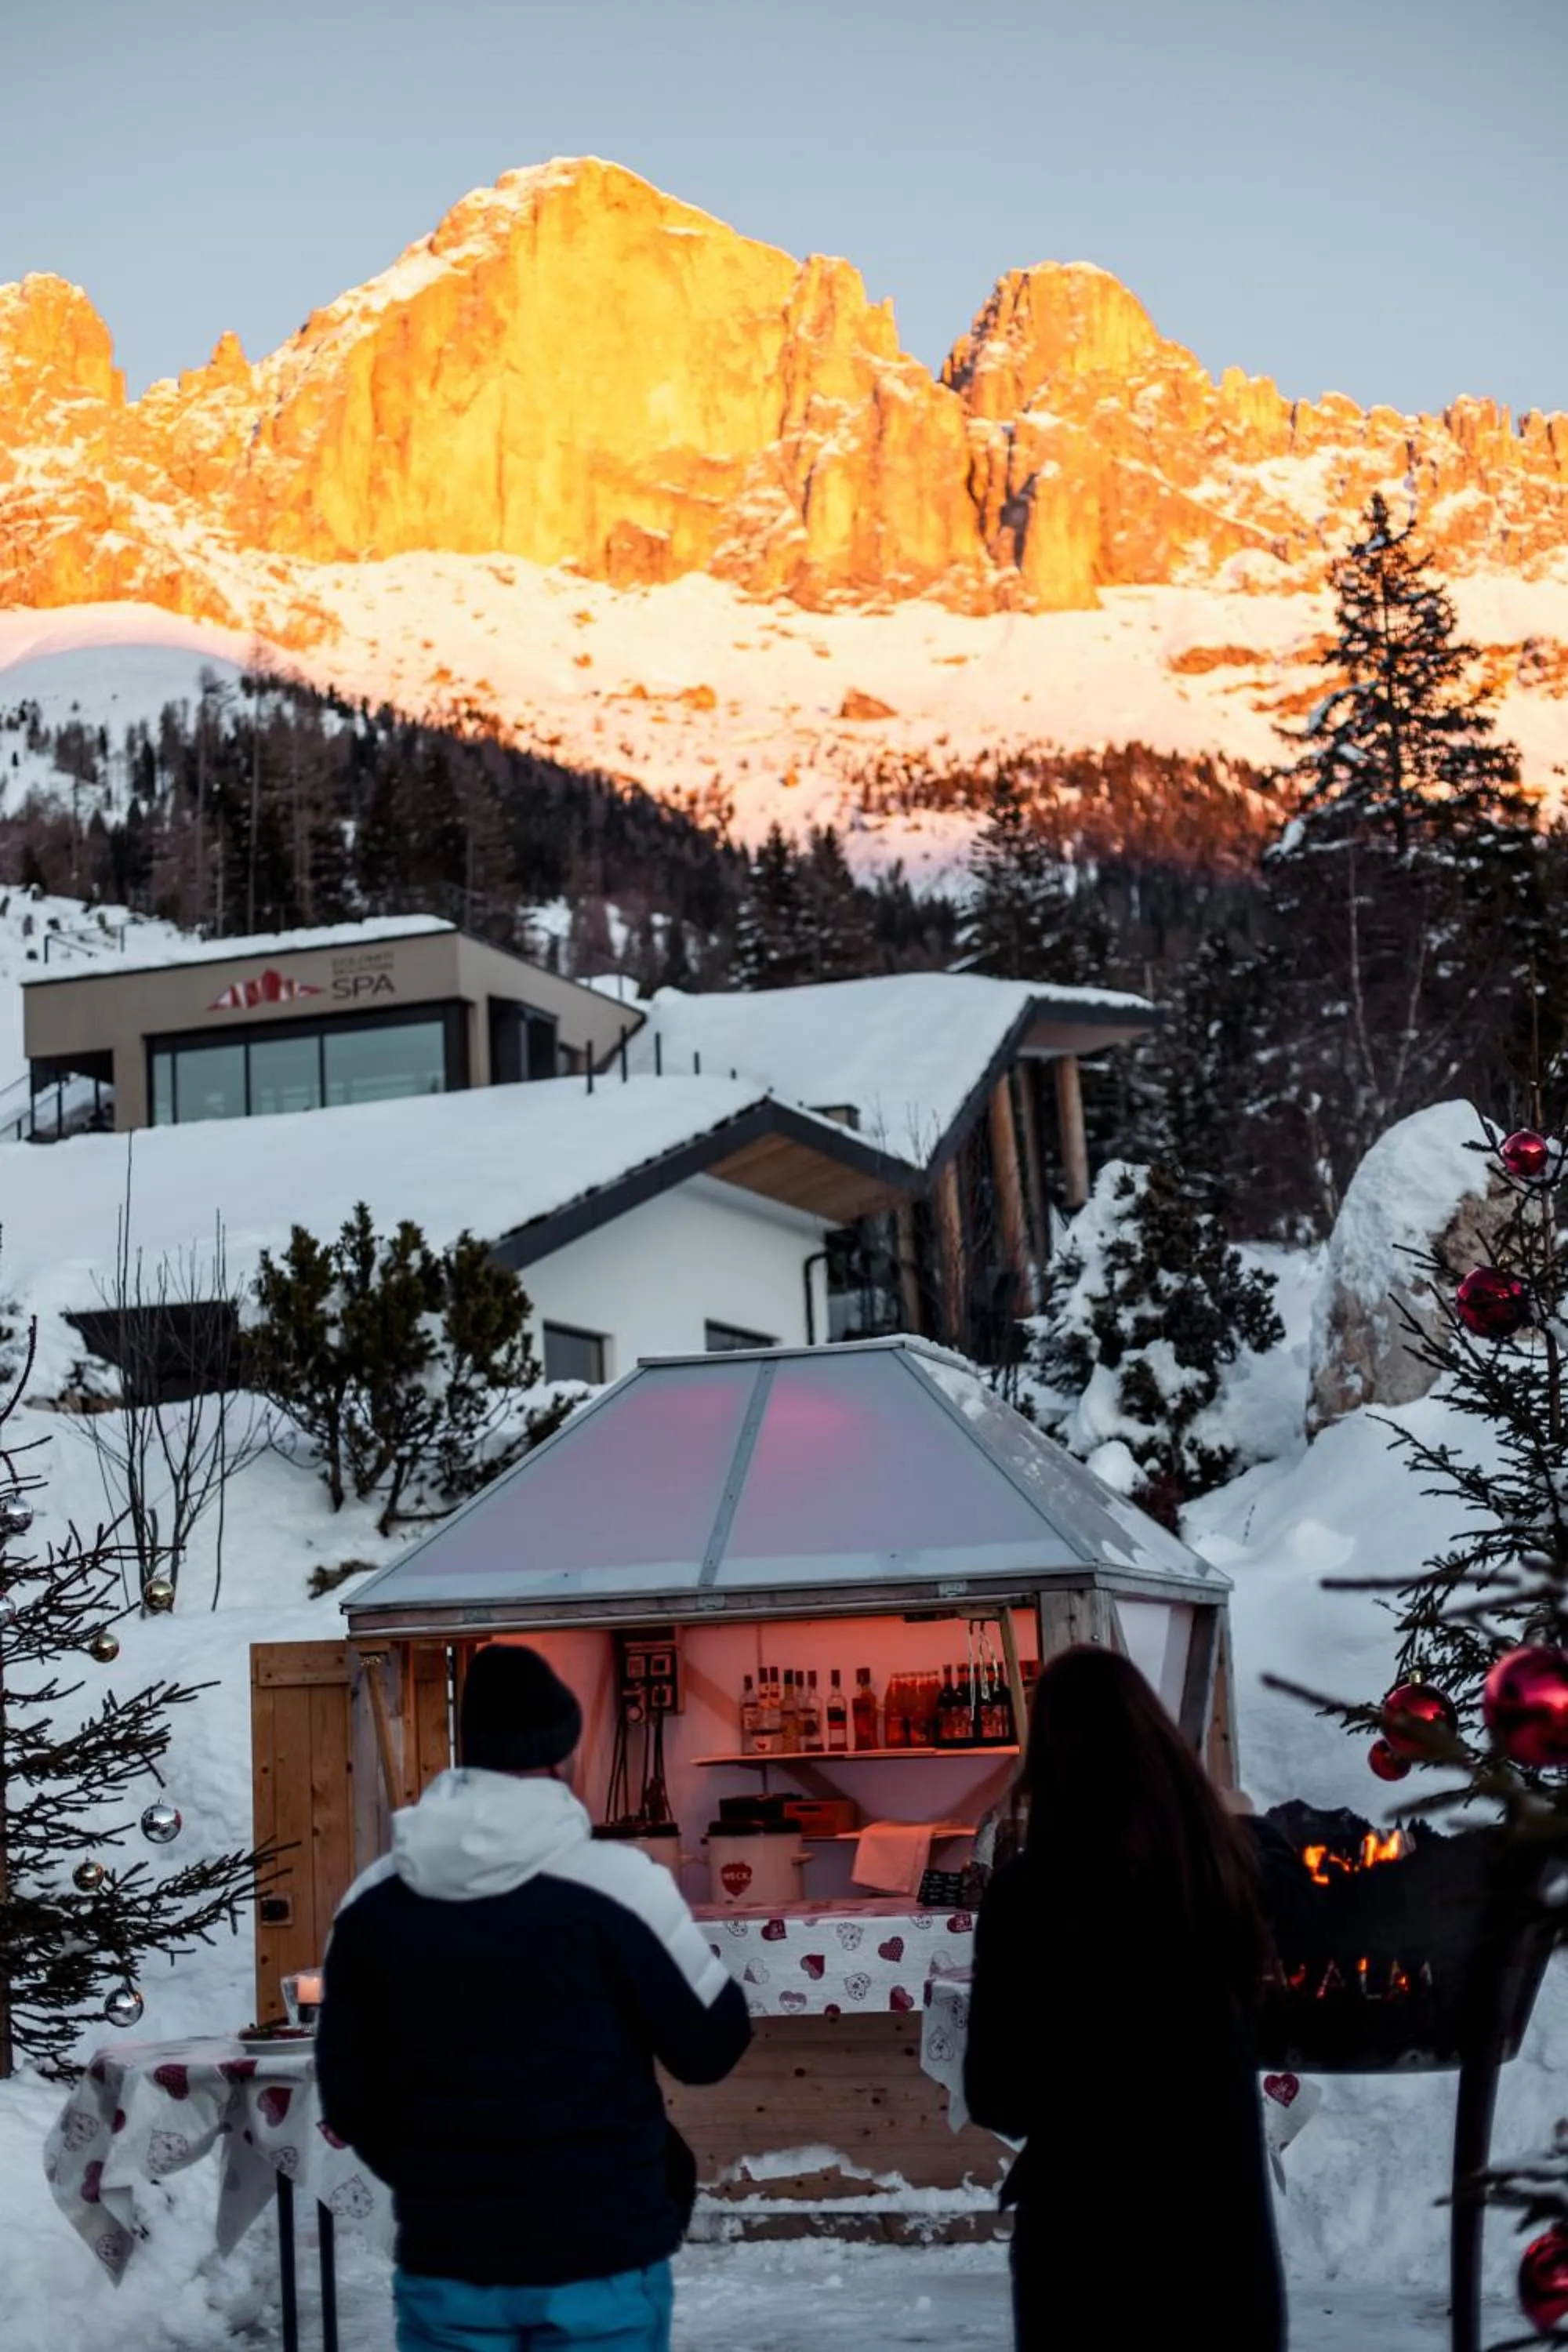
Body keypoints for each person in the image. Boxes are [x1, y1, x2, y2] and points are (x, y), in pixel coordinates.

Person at [317, 1643, 751, 2352]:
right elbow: (710, 2047)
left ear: (470, 1755)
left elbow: (347, 2094)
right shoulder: (619, 1884)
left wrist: (441, 2179)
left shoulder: (373, 1899)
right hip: (602, 2250)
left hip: (448, 2255)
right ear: (562, 1756)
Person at [963, 1646, 1285, 2352]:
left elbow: (996, 2094)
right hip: (1224, 2242)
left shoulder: (1028, 1893)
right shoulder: (1229, 1870)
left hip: (1088, 2246)